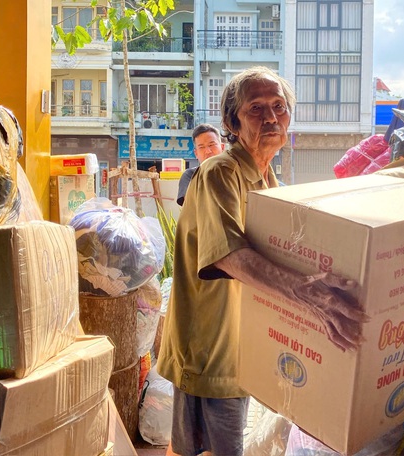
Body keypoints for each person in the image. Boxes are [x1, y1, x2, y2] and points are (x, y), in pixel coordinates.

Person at [156, 66, 368, 456]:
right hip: (210, 347)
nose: (271, 118)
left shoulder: (269, 181)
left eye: (279, 107)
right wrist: (314, 298)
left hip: (243, 345)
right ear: (231, 122)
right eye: (256, 108)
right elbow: (231, 256)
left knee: (196, 446)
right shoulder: (221, 171)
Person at [176, 124, 224, 206]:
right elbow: (189, 206)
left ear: (222, 147)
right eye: (201, 147)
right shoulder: (190, 175)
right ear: (196, 153)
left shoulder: (233, 173)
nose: (208, 151)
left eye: (211, 145)